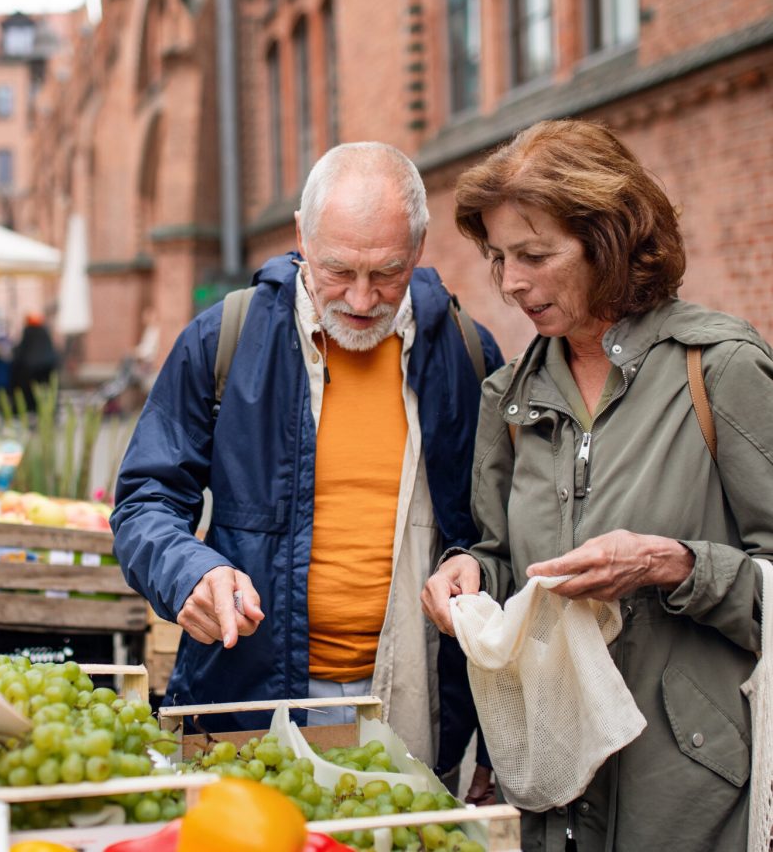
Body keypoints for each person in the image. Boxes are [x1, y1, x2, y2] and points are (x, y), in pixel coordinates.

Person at [421, 119, 773, 850]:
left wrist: (673, 565)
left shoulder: (721, 371)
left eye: (536, 254)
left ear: (609, 241)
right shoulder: (508, 400)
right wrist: (469, 574)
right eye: (499, 257)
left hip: (693, 800)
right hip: (558, 801)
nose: (512, 281)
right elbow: (505, 557)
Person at [111, 142, 504, 769]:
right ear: (302, 235)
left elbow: (498, 531)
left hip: (419, 706)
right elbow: (145, 502)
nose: (361, 298)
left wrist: (474, 565)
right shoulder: (223, 340)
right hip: (251, 701)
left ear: (419, 249)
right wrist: (188, 571)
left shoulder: (467, 353)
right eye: (337, 270)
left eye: (387, 273)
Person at [9, 313, 59, 412]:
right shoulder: (44, 332)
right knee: (45, 398)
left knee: (30, 398)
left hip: (30, 373)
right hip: (47, 370)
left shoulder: (28, 332)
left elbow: (21, 353)